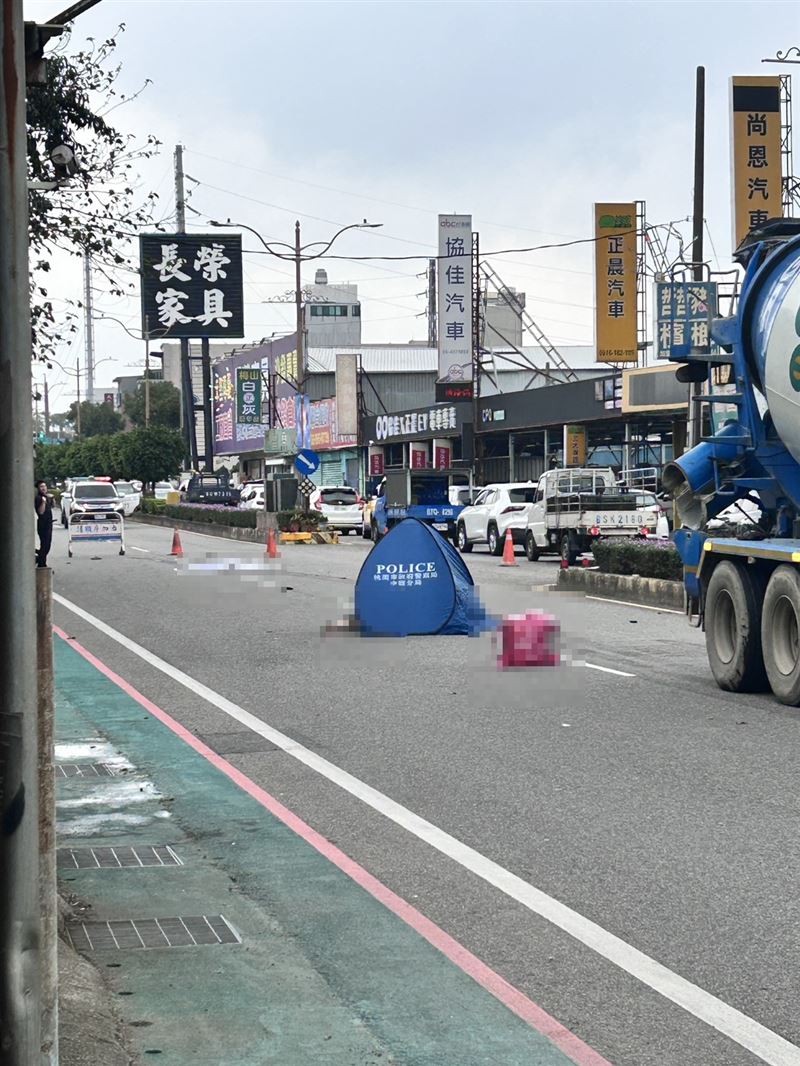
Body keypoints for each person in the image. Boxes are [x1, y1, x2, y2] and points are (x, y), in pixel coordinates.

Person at [35, 479, 54, 567]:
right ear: (38, 488)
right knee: (45, 545)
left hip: (49, 523)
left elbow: (51, 508)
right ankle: (41, 563)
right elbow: (41, 512)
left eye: (45, 486)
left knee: (47, 545)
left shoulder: (46, 497)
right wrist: (43, 502)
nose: (44, 488)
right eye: (41, 486)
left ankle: (40, 559)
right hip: (43, 524)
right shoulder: (39, 498)